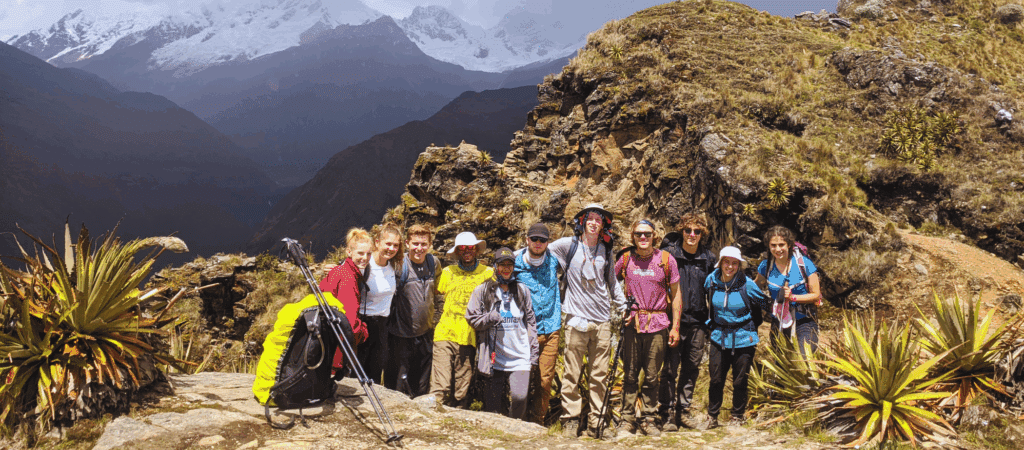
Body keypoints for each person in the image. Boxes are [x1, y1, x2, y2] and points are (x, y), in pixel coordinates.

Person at [548, 203, 626, 438]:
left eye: (598, 219)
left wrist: (623, 306)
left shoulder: (606, 250)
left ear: (603, 225)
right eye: (589, 218)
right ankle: (570, 420)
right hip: (576, 318)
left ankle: (597, 422)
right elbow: (538, 251)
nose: (593, 222)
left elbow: (612, 282)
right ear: (581, 222)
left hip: (602, 319)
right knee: (572, 372)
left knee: (599, 375)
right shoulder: (567, 246)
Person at [613, 219, 682, 437]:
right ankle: (627, 418)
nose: (643, 238)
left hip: (658, 323)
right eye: (638, 234)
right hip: (632, 324)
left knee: (653, 375)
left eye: (647, 234)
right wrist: (618, 311)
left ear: (654, 236)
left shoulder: (665, 260)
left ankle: (649, 418)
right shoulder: (625, 259)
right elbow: (610, 286)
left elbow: (677, 293)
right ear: (632, 236)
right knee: (630, 374)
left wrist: (676, 327)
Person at [657, 212, 716, 431]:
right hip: (673, 321)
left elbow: (716, 289)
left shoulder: (709, 259)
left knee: (691, 367)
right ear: (681, 231)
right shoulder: (667, 255)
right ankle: (667, 412)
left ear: (702, 234)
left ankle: (684, 410)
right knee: (670, 368)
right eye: (688, 230)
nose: (692, 235)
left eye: (697, 231)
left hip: (699, 322)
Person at [465, 247, 539, 419]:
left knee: (520, 399)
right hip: (494, 358)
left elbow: (530, 323)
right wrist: (490, 317)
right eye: (502, 264)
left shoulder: (522, 290)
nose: (506, 268)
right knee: (492, 406)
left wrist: (533, 351)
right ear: (495, 266)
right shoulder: (483, 290)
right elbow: (471, 318)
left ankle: (515, 438)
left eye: (509, 264)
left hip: (520, 355)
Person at [704, 246, 771, 429]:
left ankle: (737, 416)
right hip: (719, 336)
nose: (730, 267)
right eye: (727, 262)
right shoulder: (711, 280)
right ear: (720, 262)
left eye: (735, 263)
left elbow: (765, 303)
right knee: (716, 378)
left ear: (739, 265)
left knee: (740, 380)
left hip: (744, 337)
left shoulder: (747, 284)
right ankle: (712, 416)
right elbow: (704, 298)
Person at [429, 231, 493, 407]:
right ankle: (431, 422)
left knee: (461, 388)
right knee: (439, 385)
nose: (467, 251)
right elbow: (433, 295)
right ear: (457, 251)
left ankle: (456, 423)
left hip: (469, 336)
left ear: (476, 250)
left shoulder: (488, 273)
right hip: (445, 332)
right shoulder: (448, 272)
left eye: (470, 247)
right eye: (462, 248)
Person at [383, 223, 441, 397]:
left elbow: (437, 293)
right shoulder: (399, 266)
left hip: (425, 335)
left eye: (423, 244)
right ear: (407, 243)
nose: (419, 248)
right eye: (415, 243)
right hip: (400, 337)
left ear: (430, 244)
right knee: (397, 387)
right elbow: (373, 267)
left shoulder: (433, 263)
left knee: (421, 387)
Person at [514, 223, 561, 425]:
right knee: (522, 377)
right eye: (534, 239)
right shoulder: (515, 262)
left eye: (542, 240)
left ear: (547, 242)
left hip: (551, 327)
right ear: (527, 240)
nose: (538, 243)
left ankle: (537, 421)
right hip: (524, 330)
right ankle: (517, 419)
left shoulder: (554, 260)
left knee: (544, 379)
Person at [754, 225, 822, 354]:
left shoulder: (804, 264)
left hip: (804, 319)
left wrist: (792, 298)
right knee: (781, 360)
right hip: (779, 321)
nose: (778, 249)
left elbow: (816, 295)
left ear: (789, 245)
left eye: (781, 245)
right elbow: (755, 288)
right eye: (773, 245)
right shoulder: (765, 266)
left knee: (804, 358)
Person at [319, 228, 372, 374]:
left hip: (324, 345)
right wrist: (364, 332)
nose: (365, 258)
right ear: (349, 252)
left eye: (368, 254)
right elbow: (349, 325)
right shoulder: (349, 279)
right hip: (336, 351)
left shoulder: (338, 271)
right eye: (360, 253)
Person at [356, 223, 404, 384]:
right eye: (388, 243)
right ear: (377, 242)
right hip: (362, 324)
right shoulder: (365, 265)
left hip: (382, 326)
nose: (391, 248)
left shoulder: (394, 266)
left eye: (395, 245)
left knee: (375, 373)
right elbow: (346, 274)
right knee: (357, 372)